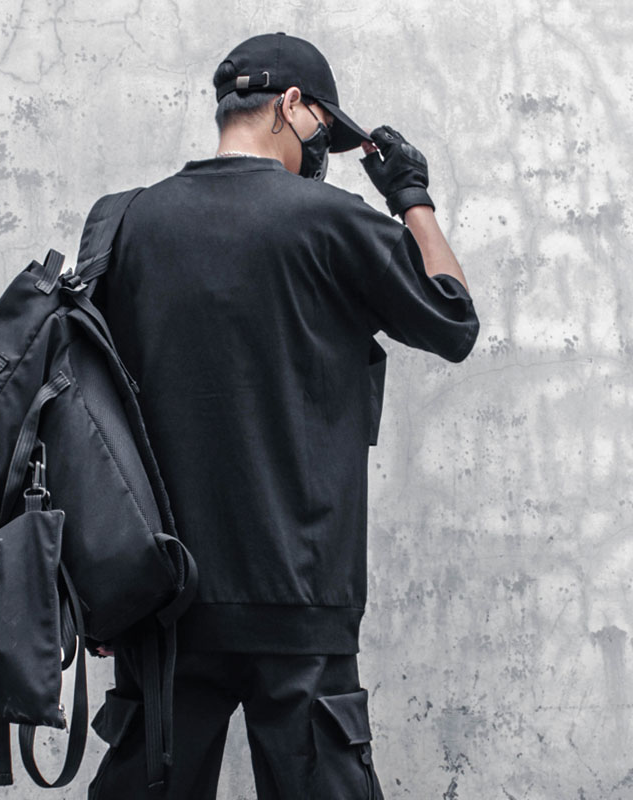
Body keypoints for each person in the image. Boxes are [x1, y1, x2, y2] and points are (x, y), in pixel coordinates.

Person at [88, 31, 479, 800]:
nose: (322, 149)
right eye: (323, 129)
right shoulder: (331, 221)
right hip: (300, 597)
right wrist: (411, 197)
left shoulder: (125, 224)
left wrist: (101, 588)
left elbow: (91, 414)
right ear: (291, 104)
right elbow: (453, 321)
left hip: (160, 600)